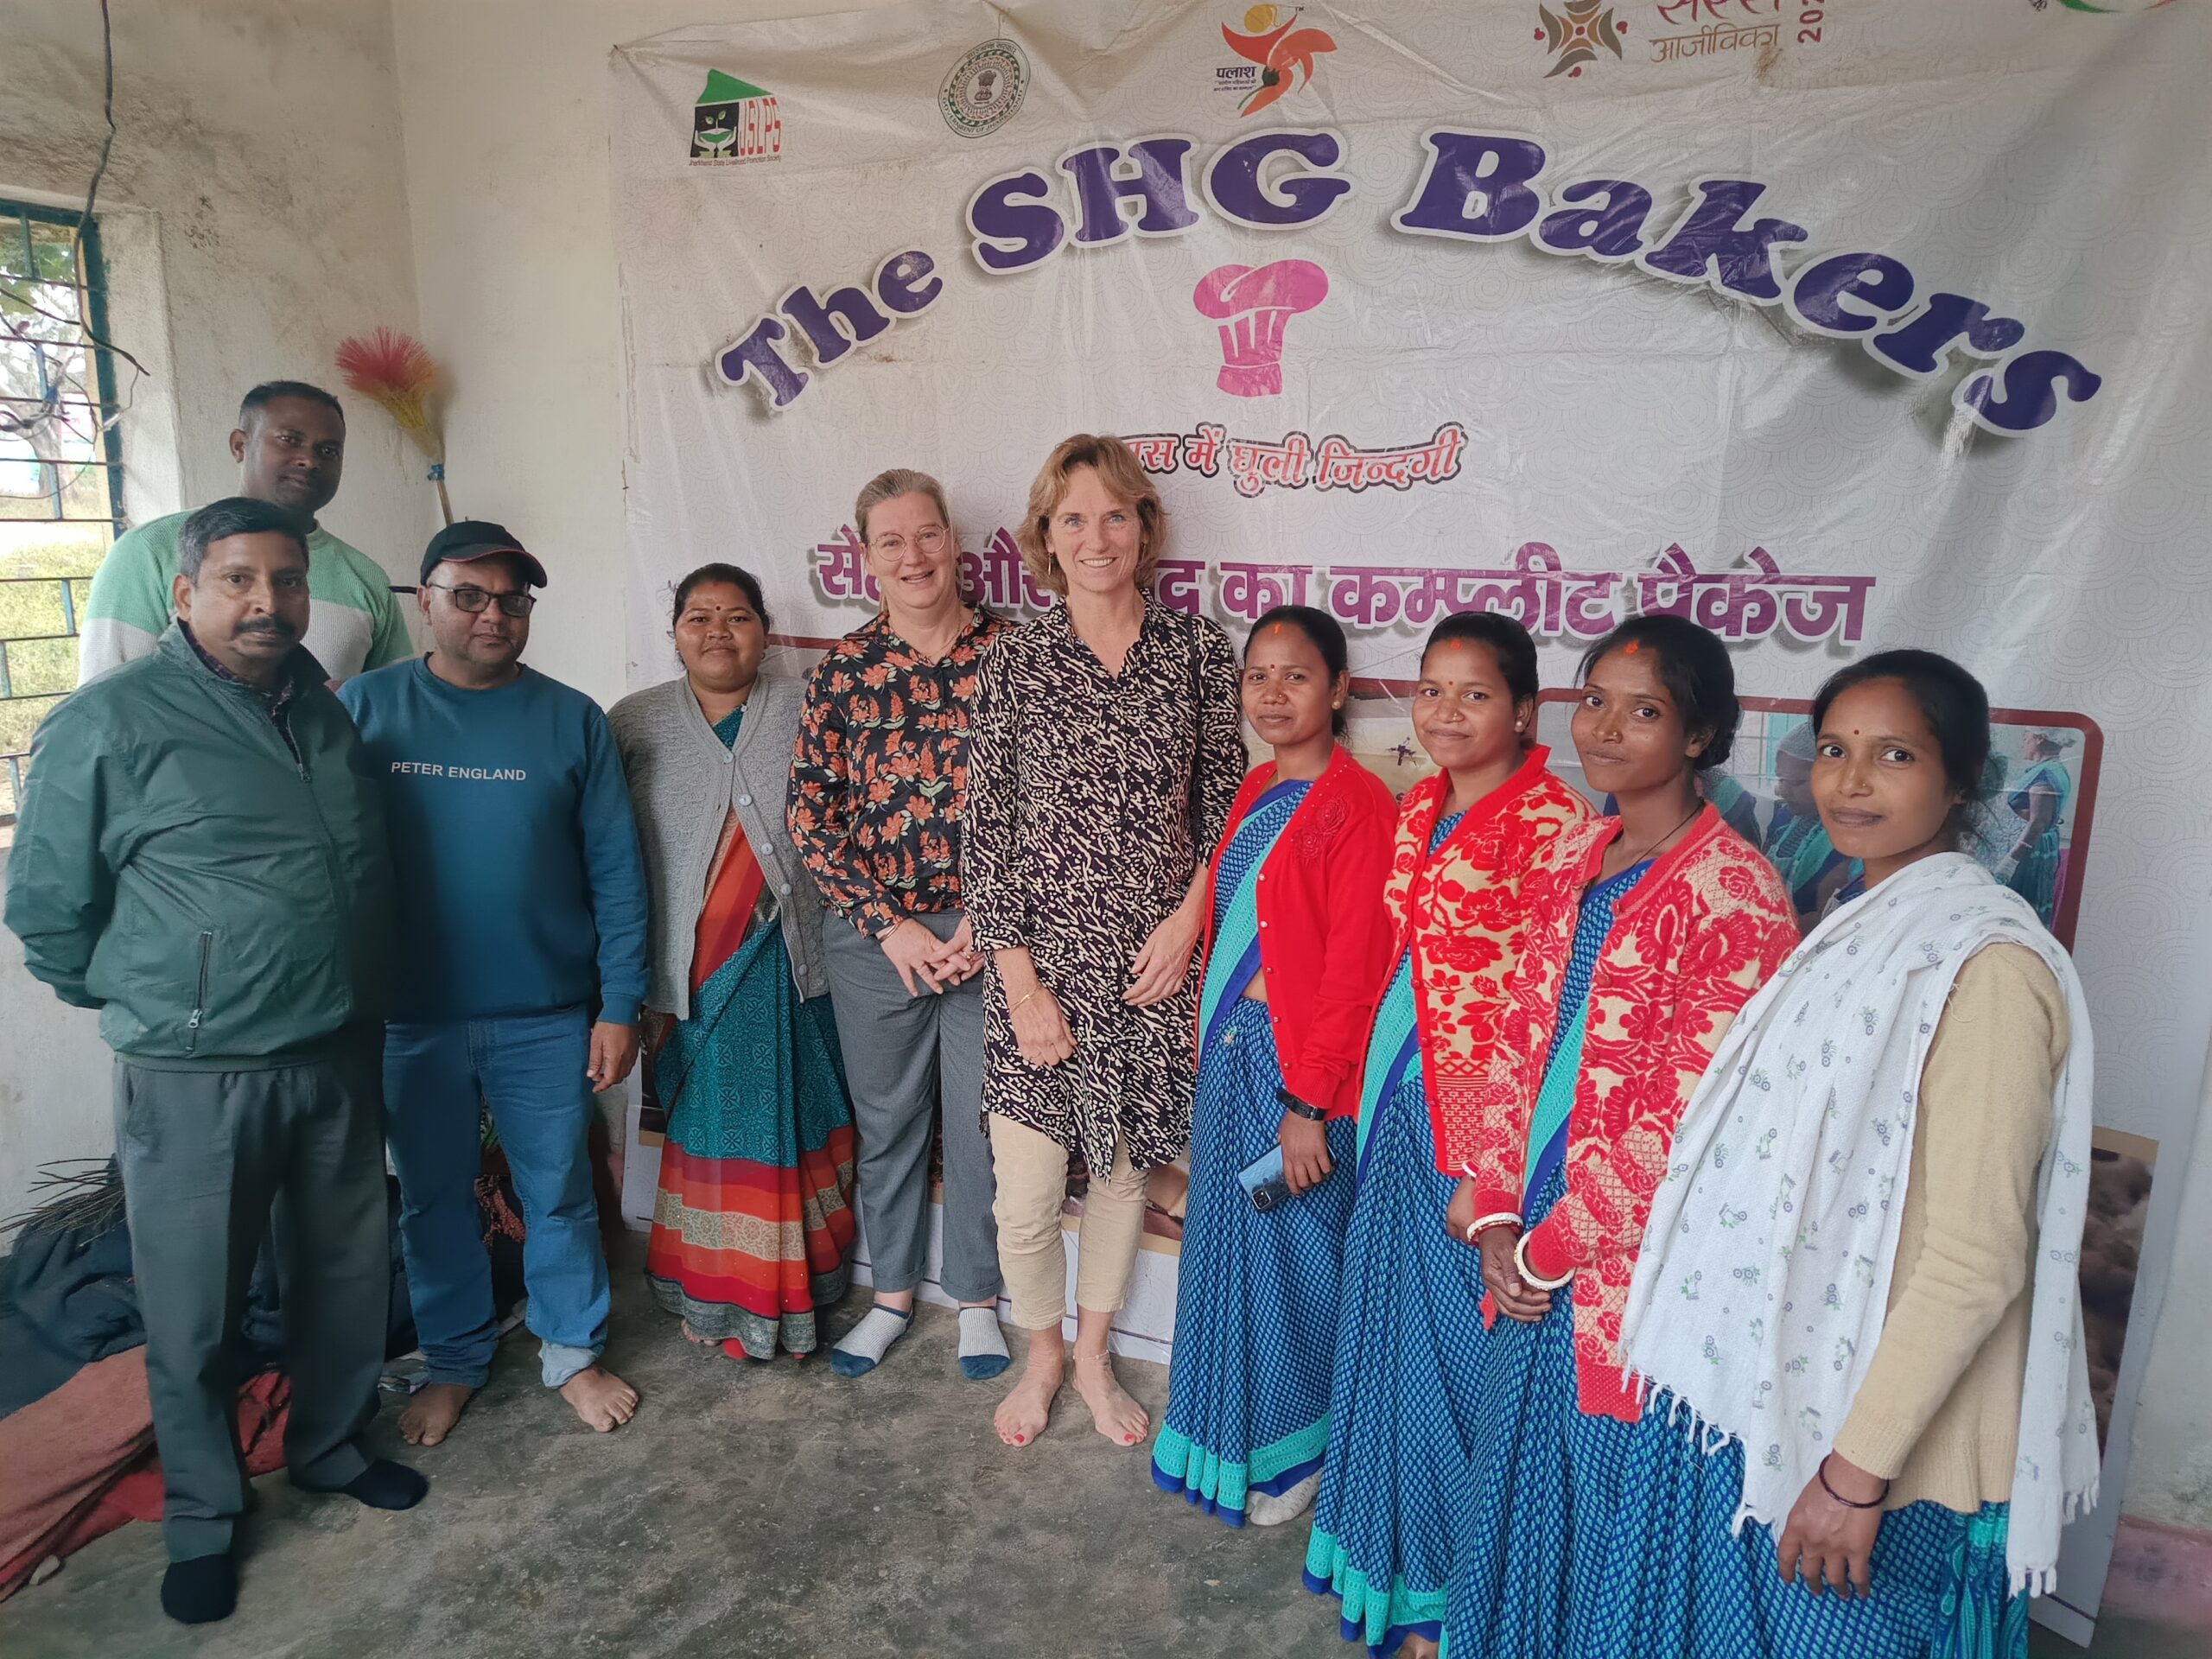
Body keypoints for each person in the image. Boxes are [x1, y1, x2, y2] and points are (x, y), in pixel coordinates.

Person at [1604, 650, 2096, 1659]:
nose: (1851, 780)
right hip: (1798, 1406)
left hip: (1882, 1462)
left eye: (1895, 754)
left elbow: (1976, 1257)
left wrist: (1850, 1476)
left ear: (1961, 780)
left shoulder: (1986, 968)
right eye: (1832, 749)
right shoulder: (1853, 928)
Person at [4, 498, 423, 1625]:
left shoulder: (323, 715)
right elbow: (45, 912)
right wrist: (163, 998)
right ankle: (203, 1515)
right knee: (195, 1311)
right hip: (196, 1073)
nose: (266, 603)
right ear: (183, 595)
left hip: (334, 1046)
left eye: (285, 582)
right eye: (238, 580)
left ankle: (332, 1447)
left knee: (341, 1276)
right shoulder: (108, 724)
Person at [1440, 614, 1798, 1659]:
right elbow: (1514, 1033)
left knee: (1602, 1508)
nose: (1604, 727)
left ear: (1697, 737)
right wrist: (1497, 1209)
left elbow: (1685, 1127)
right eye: (1592, 699)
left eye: (1643, 711)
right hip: (1530, 1224)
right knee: (1515, 1490)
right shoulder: (1576, 849)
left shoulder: (1737, 894)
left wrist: (1545, 1249)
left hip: (1623, 1264)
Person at [1301, 613, 1592, 1657]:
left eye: (1474, 694)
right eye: (1431, 691)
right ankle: (1387, 1567)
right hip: (1394, 1097)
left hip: (1477, 1125)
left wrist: (1494, 1164)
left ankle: (1447, 1597)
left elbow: (1548, 1012)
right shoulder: (1419, 800)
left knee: (1456, 1355)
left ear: (1525, 710)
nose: (1446, 713)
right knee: (1386, 1335)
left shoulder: (1557, 827)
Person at [960, 434, 1245, 1449]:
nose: (1096, 535)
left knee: (1124, 1176)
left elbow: (1224, 803)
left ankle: (1090, 1354)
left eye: (1115, 514)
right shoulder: (1018, 656)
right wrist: (1022, 984)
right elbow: (985, 827)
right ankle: (1040, 1351)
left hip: (1149, 966)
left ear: (1145, 529)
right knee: (1028, 1200)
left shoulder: (1196, 650)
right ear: (1046, 535)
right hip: (1037, 971)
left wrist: (1190, 917)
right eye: (1073, 517)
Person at [339, 520, 648, 1443]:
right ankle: (455, 1360)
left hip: (545, 1015)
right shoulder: (365, 709)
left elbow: (617, 874)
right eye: (469, 594)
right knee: (431, 1197)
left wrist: (619, 1004)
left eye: (513, 599)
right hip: (410, 1019)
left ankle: (572, 1354)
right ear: (423, 600)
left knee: (556, 1191)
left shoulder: (570, 718)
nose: (493, 614)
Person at [1153, 606, 1395, 1529]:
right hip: (1231, 1061)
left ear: (1337, 689)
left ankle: (1300, 1451)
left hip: (1298, 1078)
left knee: (1293, 1261)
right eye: (1258, 675)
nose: (1273, 693)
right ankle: (1238, 1438)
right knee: (1232, 1255)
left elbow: (1353, 973)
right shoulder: (1257, 789)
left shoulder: (1360, 806)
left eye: (1296, 675)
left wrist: (1308, 1104)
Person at [787, 469, 1009, 1382]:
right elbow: (812, 815)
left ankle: (979, 1302)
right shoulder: (843, 670)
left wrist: (989, 922)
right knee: (887, 1124)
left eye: (927, 535)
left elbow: (1044, 809)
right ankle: (890, 1298)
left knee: (984, 1121)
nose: (913, 556)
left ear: (954, 542)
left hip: (994, 937)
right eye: (892, 542)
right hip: (881, 942)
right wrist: (891, 928)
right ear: (866, 558)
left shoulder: (1018, 659)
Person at [609, 564, 856, 1360]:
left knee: (794, 1126)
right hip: (692, 979)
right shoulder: (632, 723)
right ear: (674, 630)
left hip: (791, 966)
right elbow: (605, 855)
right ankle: (716, 1297)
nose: (719, 631)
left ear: (765, 629)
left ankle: (795, 1297)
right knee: (712, 1136)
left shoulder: (810, 706)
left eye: (739, 615)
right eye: (700, 616)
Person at [78, 382, 410, 683]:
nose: (309, 461)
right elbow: (106, 707)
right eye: (289, 441)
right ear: (239, 445)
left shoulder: (366, 578)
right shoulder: (152, 551)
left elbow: (394, 706)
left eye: (328, 451)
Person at [1764, 719, 1855, 928]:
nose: (1783, 791)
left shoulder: (1848, 841)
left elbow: (1826, 918)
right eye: (1781, 779)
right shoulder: (1784, 821)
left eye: (1797, 783)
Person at [1997, 727, 2075, 927]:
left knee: (2014, 907)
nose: (2025, 741)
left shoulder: (2047, 775)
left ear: (2040, 738)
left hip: (2030, 852)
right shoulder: (2048, 769)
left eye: (2027, 737)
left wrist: (2010, 862)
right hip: (2034, 846)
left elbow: (2037, 823)